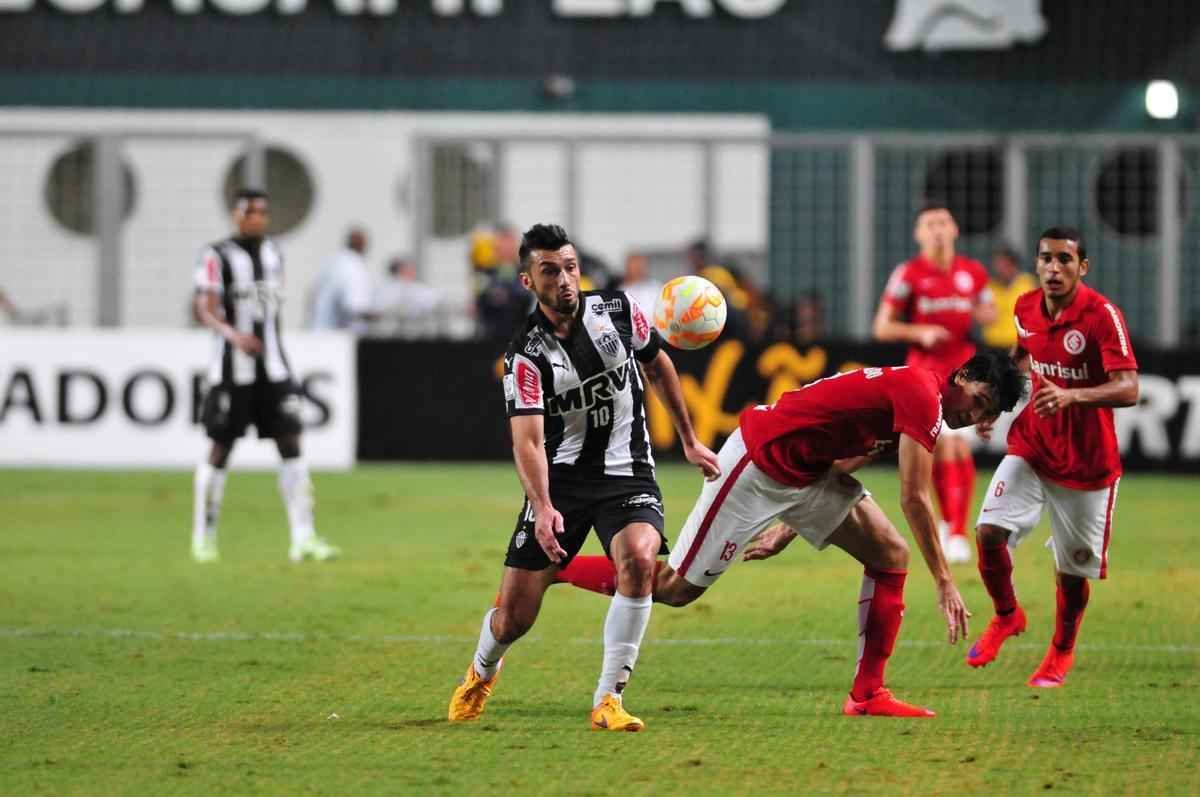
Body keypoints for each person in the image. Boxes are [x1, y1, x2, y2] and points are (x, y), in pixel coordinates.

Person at [556, 351, 1026, 718]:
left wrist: (792, 525)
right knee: (674, 588)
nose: (975, 415)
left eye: (989, 413)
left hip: (807, 475)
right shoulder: (923, 394)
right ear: (961, 377)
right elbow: (915, 498)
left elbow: (849, 455)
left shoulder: (922, 398)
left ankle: (867, 694)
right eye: (980, 400)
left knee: (889, 553)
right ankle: (556, 567)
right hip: (758, 462)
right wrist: (944, 580)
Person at [447, 223, 720, 732]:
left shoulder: (617, 312)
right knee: (514, 618)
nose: (565, 280)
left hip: (628, 472)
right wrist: (544, 506)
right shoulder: (525, 355)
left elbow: (658, 364)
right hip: (562, 486)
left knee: (639, 559)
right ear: (529, 281)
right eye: (550, 271)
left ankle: (608, 700)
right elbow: (527, 442)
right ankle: (482, 670)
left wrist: (688, 438)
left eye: (570, 267)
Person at [967, 227, 1139, 688]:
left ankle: (1061, 650)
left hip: (1087, 464)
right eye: (1046, 259)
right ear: (1037, 263)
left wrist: (1072, 396)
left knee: (1070, 572)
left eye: (1065, 260)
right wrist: (995, 405)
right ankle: (1007, 616)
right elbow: (1021, 356)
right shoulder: (1025, 307)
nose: (1054, 268)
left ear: (1082, 267)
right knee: (987, 532)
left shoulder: (1102, 316)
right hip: (1034, 446)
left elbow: (1129, 387)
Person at [191, 188, 341, 564]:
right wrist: (233, 336)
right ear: (235, 215)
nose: (256, 218)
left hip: (274, 368)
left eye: (262, 211)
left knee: (292, 444)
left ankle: (303, 538)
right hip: (231, 371)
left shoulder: (274, 253)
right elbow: (204, 308)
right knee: (220, 449)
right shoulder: (216, 255)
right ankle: (203, 538)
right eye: (249, 211)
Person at [873, 202, 997, 564]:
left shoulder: (972, 273)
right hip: (925, 374)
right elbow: (882, 327)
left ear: (955, 229)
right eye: (930, 224)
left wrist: (984, 311)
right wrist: (919, 330)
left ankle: (955, 529)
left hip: (967, 375)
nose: (938, 229)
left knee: (958, 447)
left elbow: (989, 311)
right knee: (940, 446)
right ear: (918, 234)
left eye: (944, 222)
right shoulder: (909, 274)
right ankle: (948, 525)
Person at [309, 227, 373, 334]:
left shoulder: (333, 261)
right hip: (338, 338)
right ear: (363, 245)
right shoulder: (353, 267)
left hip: (319, 331)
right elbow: (355, 308)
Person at [982, 244, 1038, 350]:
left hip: (1018, 346)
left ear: (1013, 265)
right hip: (992, 346)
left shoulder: (1028, 283)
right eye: (997, 264)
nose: (999, 269)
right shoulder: (988, 287)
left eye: (1004, 265)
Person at [371, 256, 440, 338]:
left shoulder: (382, 288)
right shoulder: (390, 289)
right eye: (410, 270)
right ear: (402, 270)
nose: (413, 273)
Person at [616, 252, 661, 317]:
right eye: (635, 265)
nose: (639, 268)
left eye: (641, 264)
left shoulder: (656, 287)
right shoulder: (621, 291)